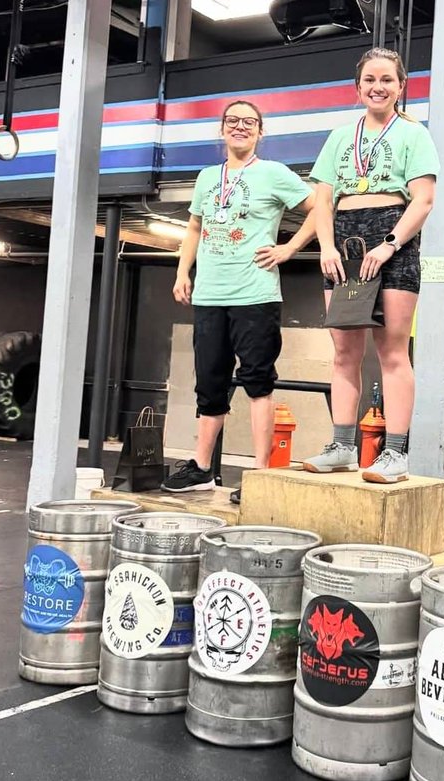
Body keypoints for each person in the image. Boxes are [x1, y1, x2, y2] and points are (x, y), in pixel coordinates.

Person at [163, 100, 316, 502]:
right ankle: (201, 468)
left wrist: (289, 248)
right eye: (233, 121)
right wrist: (183, 272)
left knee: (257, 382)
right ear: (222, 130)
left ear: (261, 132)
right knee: (209, 382)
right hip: (211, 294)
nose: (241, 127)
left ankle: (260, 473)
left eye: (250, 122)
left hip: (255, 293)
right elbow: (195, 226)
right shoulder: (206, 177)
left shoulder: (274, 174)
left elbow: (320, 208)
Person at [302, 47, 439, 483]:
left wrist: (391, 243)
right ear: (357, 87)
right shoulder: (341, 137)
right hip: (344, 236)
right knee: (344, 351)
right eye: (369, 80)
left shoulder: (414, 134)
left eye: (386, 80)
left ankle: (395, 453)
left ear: (401, 86)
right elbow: (323, 198)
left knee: (392, 349)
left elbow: (424, 199)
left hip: (391, 231)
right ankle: (342, 445)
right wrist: (326, 246)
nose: (377, 87)